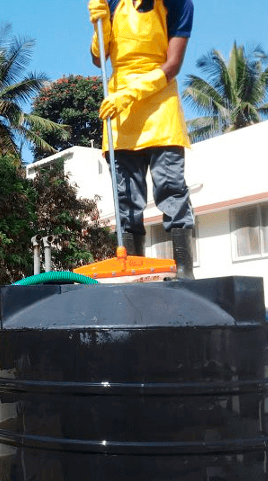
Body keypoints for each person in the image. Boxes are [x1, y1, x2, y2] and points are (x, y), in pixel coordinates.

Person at [89, 0, 196, 278]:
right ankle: (134, 272)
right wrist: (99, 26)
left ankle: (184, 269)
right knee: (125, 200)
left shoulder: (179, 4)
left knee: (171, 188)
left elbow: (172, 65)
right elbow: (100, 58)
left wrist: (132, 93)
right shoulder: (112, 2)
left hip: (160, 107)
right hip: (121, 114)